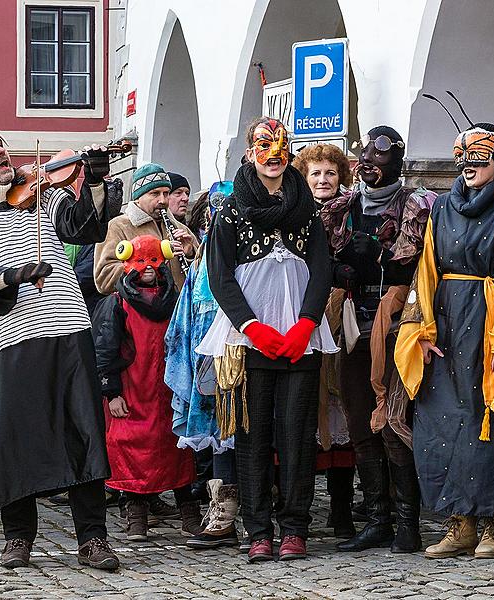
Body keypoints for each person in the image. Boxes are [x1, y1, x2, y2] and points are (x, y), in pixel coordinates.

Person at [0, 127, 119, 571]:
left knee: (82, 430)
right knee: (10, 438)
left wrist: (94, 179)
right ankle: (18, 536)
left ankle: (92, 538)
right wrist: (10, 277)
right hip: (3, 339)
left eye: (1, 144)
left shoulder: (43, 194)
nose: (1, 151)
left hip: (65, 325)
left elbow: (86, 225)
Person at [198, 117, 336, 562]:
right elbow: (218, 275)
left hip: (300, 338)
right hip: (248, 339)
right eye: (263, 144)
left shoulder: (307, 207)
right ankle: (257, 529)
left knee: (296, 435)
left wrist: (307, 323)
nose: (273, 153)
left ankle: (295, 526)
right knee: (253, 438)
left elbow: (321, 267)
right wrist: (250, 326)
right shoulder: (231, 209)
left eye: (280, 145)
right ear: (250, 151)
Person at [395, 123, 494, 560]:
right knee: (443, 425)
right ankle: (460, 525)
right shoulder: (442, 210)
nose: (469, 168)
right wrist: (421, 329)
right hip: (448, 328)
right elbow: (426, 270)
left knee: (491, 422)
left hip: (491, 323)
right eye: (464, 160)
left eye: (479, 160)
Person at [318, 128, 436, 553]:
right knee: (358, 423)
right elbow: (320, 256)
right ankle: (377, 519)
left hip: (398, 327)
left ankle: (408, 522)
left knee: (395, 423)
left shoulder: (418, 205)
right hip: (352, 326)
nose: (368, 159)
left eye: (379, 152)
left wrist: (382, 265)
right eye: (364, 151)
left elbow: (418, 263)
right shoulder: (341, 209)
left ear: (398, 161)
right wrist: (338, 270)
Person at [93, 234, 200, 542]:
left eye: (154, 260)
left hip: (168, 390)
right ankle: (136, 514)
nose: (149, 268)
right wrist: (111, 392)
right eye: (141, 261)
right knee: (130, 448)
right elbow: (104, 349)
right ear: (128, 264)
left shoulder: (176, 299)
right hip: (131, 390)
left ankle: (188, 513)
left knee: (177, 449)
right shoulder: (116, 304)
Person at [166, 184, 241, 550]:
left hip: (241, 348)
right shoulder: (205, 252)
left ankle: (253, 515)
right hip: (207, 353)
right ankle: (222, 513)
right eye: (213, 210)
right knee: (217, 433)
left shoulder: (243, 247)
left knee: (241, 432)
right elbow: (193, 305)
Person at [292, 143, 359, 540]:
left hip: (337, 311)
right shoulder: (294, 212)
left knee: (340, 405)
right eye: (315, 173)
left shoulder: (351, 213)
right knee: (304, 408)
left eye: (330, 173)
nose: (322, 180)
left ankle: (341, 506)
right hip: (300, 310)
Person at [94, 163, 198, 295]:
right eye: (155, 194)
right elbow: (103, 279)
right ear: (138, 198)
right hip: (140, 311)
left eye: (166, 193)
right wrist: (150, 260)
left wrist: (190, 254)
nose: (162, 200)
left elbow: (202, 276)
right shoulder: (118, 226)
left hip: (179, 311)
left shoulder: (181, 228)